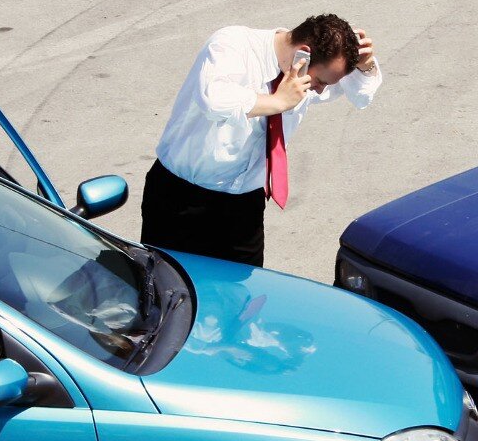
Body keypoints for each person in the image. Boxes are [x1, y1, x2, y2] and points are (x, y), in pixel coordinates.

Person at [141, 14, 380, 267]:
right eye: (320, 81)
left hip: (244, 206)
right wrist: (277, 101)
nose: (320, 90)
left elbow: (361, 97)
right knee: (167, 294)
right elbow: (214, 100)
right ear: (303, 54)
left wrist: (367, 66)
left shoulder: (303, 75)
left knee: (245, 298)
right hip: (181, 200)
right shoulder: (232, 44)